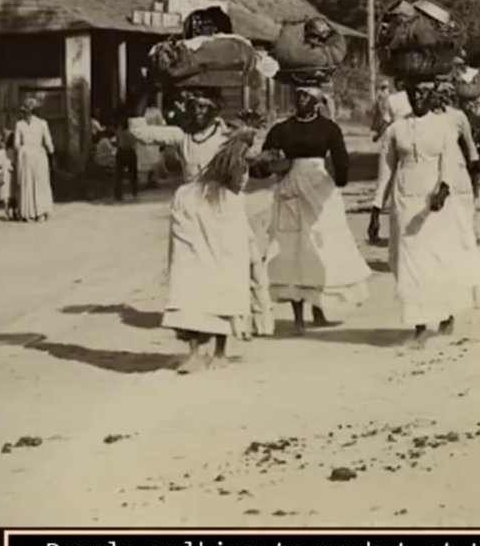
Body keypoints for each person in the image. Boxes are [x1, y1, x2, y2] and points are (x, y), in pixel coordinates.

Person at [368, 80, 480, 348]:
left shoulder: (442, 127)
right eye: (414, 93)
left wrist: (443, 191)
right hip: (404, 200)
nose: (419, 97)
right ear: (408, 97)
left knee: (439, 257)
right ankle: (420, 324)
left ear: (432, 96)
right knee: (411, 262)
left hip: (435, 202)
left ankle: (446, 313)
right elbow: (385, 171)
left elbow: (449, 162)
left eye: (424, 93)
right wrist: (376, 209)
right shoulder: (396, 130)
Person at [262, 86, 371, 335]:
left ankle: (319, 310)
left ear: (317, 102)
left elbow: (341, 158)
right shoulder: (283, 128)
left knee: (323, 245)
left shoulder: (328, 128)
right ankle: (298, 317)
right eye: (298, 95)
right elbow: (265, 157)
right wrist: (269, 164)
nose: (300, 100)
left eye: (306, 97)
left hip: (320, 187)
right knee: (292, 247)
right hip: (291, 187)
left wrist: (340, 180)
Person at [164, 131, 267, 374]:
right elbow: (239, 237)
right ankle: (219, 352)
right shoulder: (230, 198)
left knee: (189, 286)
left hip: (191, 248)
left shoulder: (185, 194)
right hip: (222, 251)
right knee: (226, 283)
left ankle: (194, 353)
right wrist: (252, 258)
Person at [128, 91, 229, 184]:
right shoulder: (183, 136)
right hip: (191, 200)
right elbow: (140, 132)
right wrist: (145, 90)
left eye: (202, 106)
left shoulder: (227, 137)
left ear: (215, 109)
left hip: (219, 200)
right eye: (192, 106)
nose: (197, 111)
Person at [434, 81, 480, 245]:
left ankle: (468, 234)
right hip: (433, 162)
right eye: (440, 95)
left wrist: (474, 160)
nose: (443, 99)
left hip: (456, 162)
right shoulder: (427, 117)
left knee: (463, 199)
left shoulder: (458, 116)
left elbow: (469, 141)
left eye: (447, 95)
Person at [14, 98, 55, 222]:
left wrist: (22, 151)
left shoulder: (20, 124)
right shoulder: (41, 123)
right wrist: (51, 152)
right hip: (36, 155)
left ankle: (31, 212)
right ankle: (38, 212)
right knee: (38, 183)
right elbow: (49, 143)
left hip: (28, 155)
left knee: (31, 183)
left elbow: (16, 145)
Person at [113, 111, 139, 202]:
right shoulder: (132, 134)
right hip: (130, 152)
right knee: (133, 173)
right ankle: (134, 191)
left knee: (118, 175)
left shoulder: (119, 133)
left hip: (122, 152)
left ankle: (118, 194)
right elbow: (135, 143)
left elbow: (116, 143)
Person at [0, 132, 15, 219]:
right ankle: (14, 211)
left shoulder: (0, 153)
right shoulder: (12, 151)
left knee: (6, 194)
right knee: (12, 193)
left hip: (4, 174)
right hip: (11, 173)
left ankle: (7, 212)